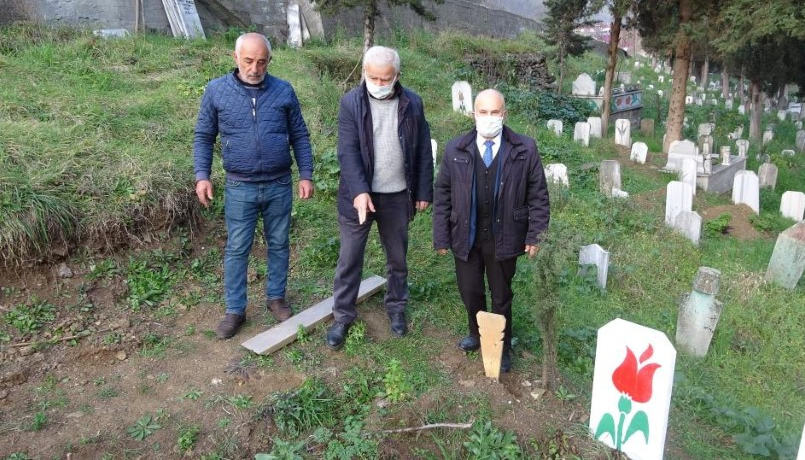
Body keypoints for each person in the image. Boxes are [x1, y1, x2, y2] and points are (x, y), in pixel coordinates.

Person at [193, 32, 314, 339]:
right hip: (239, 186)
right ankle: (235, 310)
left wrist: (306, 174)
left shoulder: (283, 91)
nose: (255, 67)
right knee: (237, 248)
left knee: (279, 243)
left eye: (261, 61)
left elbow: (300, 135)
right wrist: (202, 175)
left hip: (278, 184)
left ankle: (276, 298)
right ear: (235, 58)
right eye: (248, 60)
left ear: (269, 61)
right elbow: (204, 136)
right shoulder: (217, 91)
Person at [433, 89, 550, 372]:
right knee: (471, 291)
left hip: (505, 235)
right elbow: (443, 194)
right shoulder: (455, 149)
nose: (489, 118)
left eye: (494, 112)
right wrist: (441, 234)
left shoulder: (525, 149)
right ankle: (477, 333)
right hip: (466, 235)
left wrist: (535, 235)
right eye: (483, 112)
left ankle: (502, 345)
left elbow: (538, 195)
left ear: (504, 114)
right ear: (473, 114)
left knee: (501, 295)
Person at [326, 45, 433, 350]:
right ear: (364, 73)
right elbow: (347, 151)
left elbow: (423, 147)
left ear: (397, 76)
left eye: (385, 79)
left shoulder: (413, 103)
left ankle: (397, 308)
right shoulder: (351, 102)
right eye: (373, 77)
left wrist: (424, 189)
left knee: (397, 258)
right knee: (349, 257)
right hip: (357, 197)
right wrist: (360, 191)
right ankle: (343, 316)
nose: (379, 83)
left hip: (397, 195)